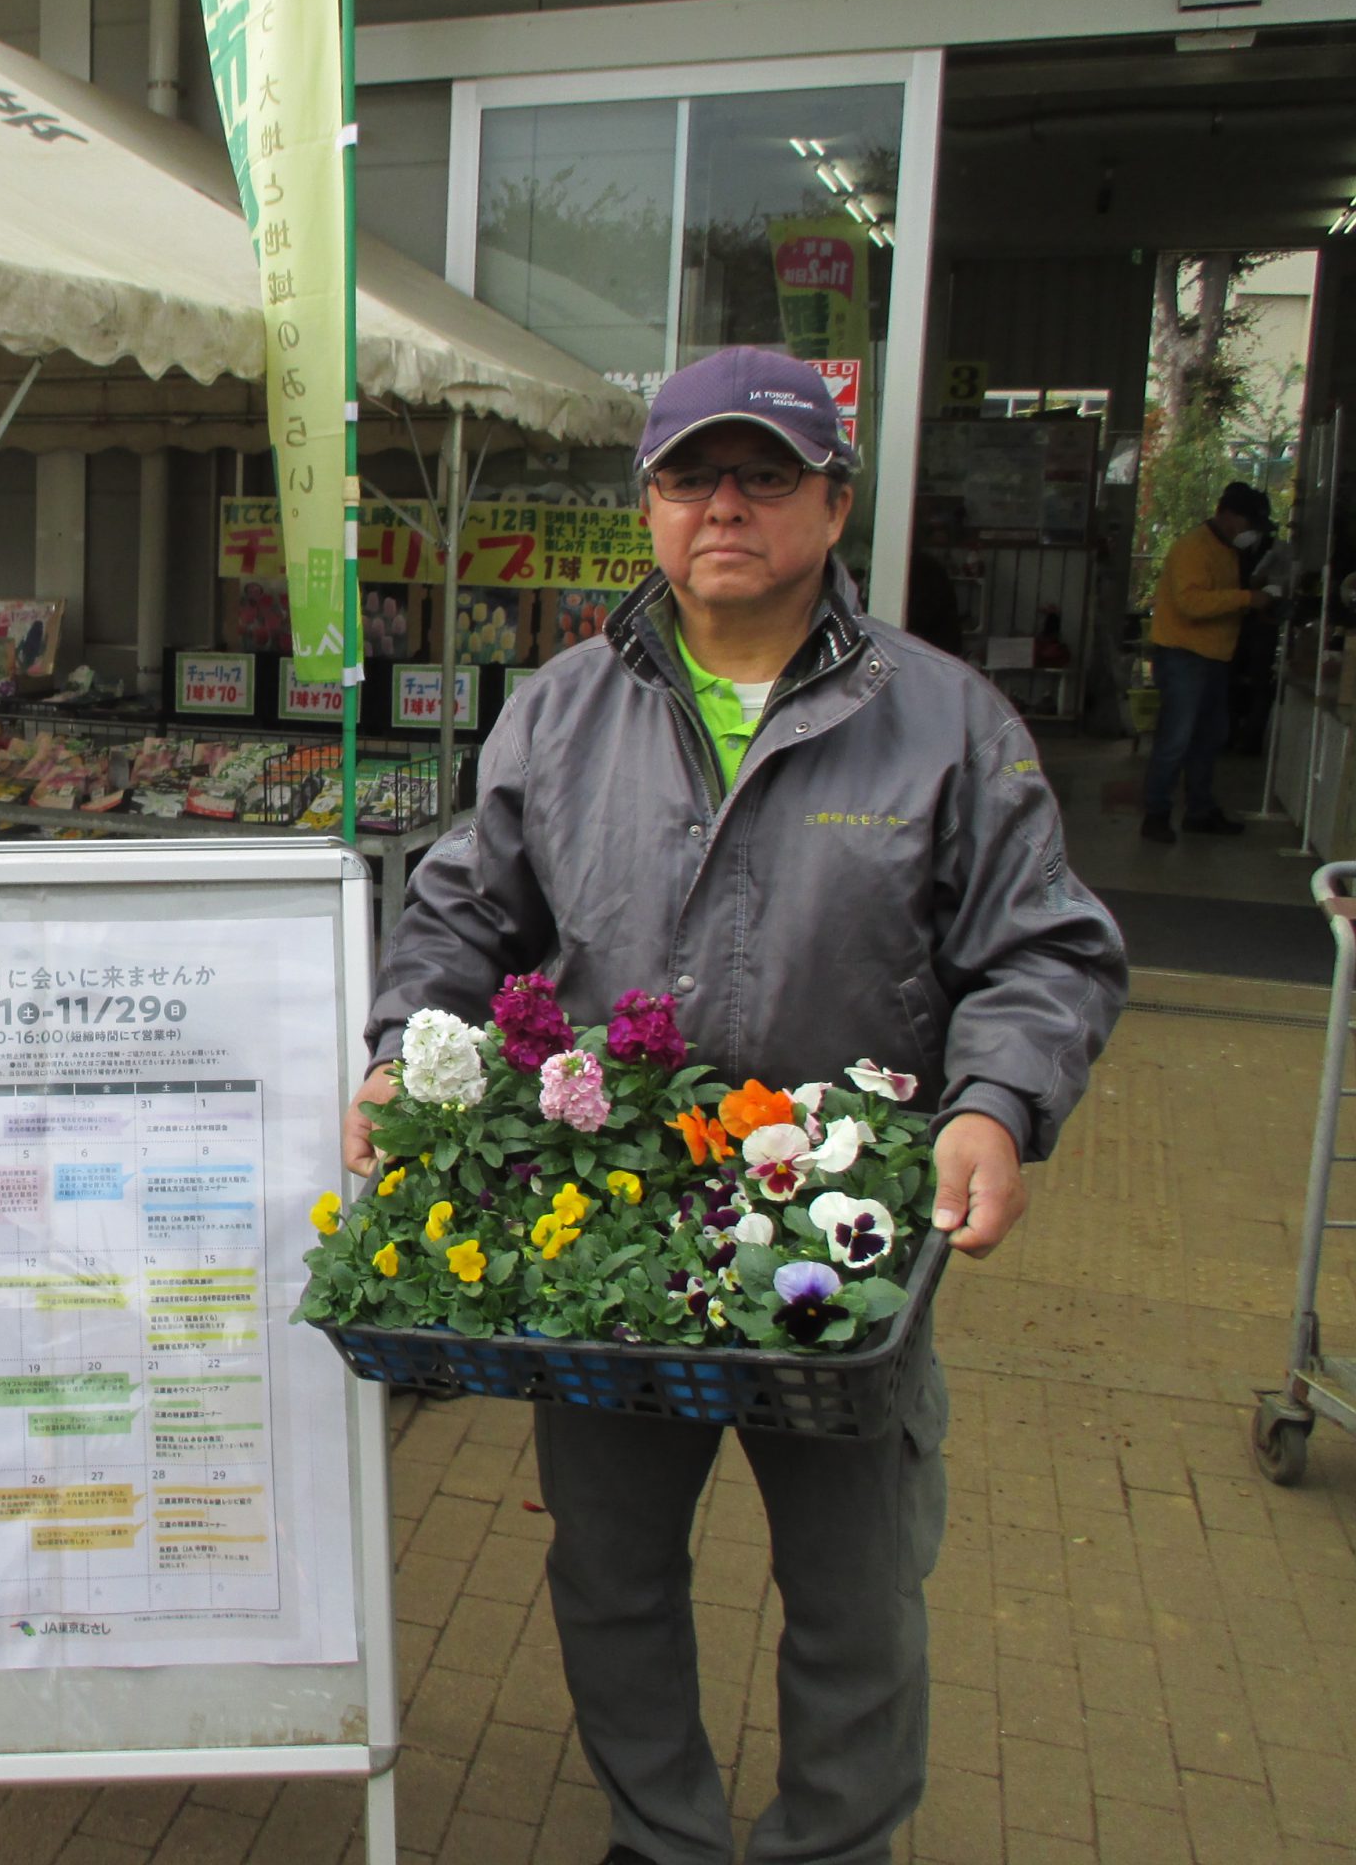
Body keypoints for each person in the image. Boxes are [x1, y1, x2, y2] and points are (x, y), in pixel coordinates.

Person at [344, 346, 1126, 1865]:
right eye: (693, 475)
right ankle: (665, 1835)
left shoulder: (946, 724)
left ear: (833, 504)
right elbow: (458, 920)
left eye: (765, 474)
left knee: (856, 1586)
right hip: (613, 1227)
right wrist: (404, 1045)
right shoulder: (560, 716)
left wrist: (997, 1106)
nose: (725, 505)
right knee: (613, 1567)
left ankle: (835, 1844)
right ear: (647, 506)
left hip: (842, 1238)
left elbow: (1044, 946)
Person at [1140, 479, 1277, 841]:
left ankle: (1199, 810)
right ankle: (1156, 813)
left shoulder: (1229, 550)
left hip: (1215, 657)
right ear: (1228, 515)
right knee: (1175, 739)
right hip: (1183, 655)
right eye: (1249, 524)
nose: (1251, 533)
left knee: (1210, 738)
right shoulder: (1193, 548)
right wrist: (1247, 599)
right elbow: (1192, 603)